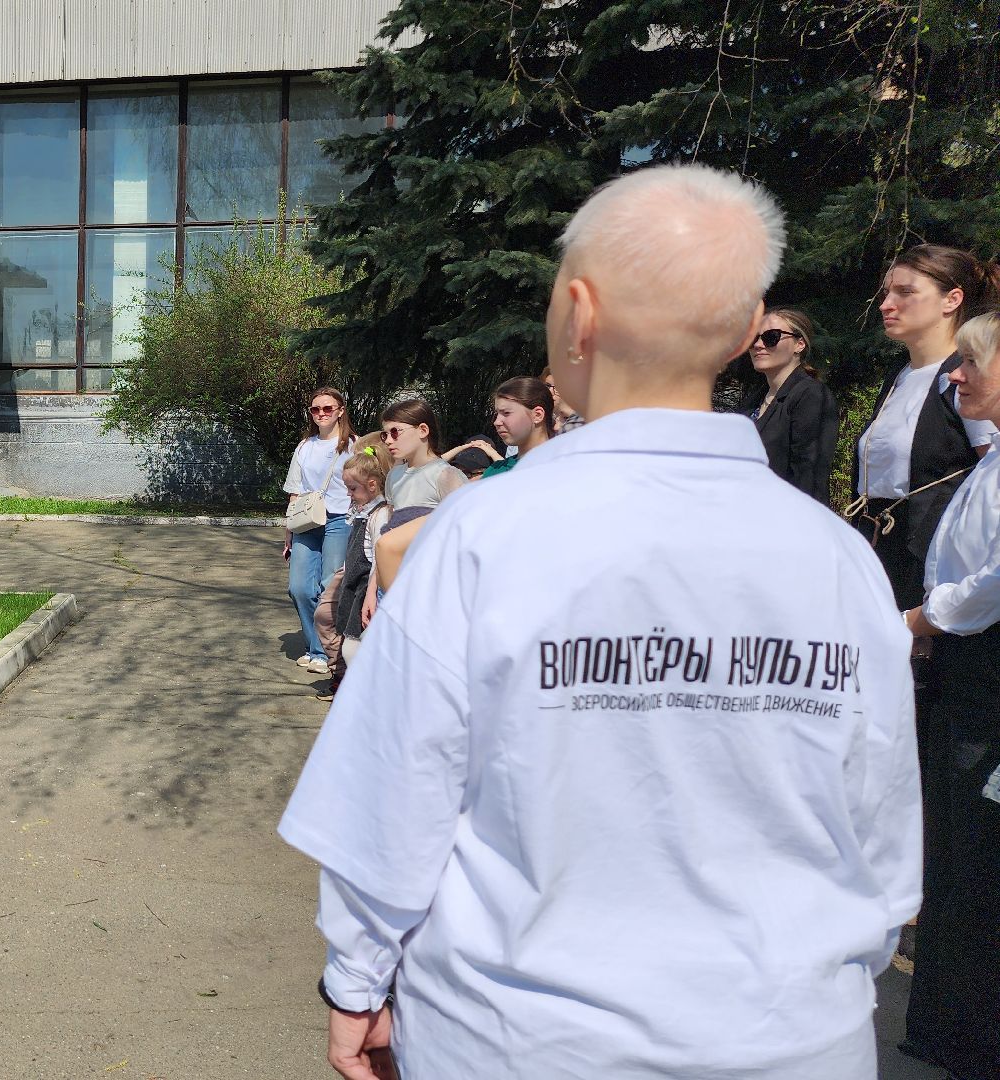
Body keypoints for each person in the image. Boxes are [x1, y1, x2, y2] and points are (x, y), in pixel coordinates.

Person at [281, 165, 919, 1080]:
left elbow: (394, 796)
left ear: (577, 314)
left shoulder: (481, 534)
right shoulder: (840, 561)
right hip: (791, 1038)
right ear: (746, 333)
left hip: (519, 1037)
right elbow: (885, 841)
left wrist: (357, 980)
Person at [898, 308, 1000, 1079]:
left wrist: (927, 614)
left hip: (988, 682)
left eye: (969, 362)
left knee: (977, 855)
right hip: (964, 671)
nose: (955, 377)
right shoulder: (992, 460)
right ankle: (946, 1027)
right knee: (959, 851)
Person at [850, 243, 999, 610]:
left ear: (952, 300)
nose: (886, 304)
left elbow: (991, 481)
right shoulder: (898, 377)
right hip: (878, 552)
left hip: (929, 568)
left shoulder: (966, 380)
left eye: (905, 292)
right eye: (887, 292)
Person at [283, 387, 357, 675]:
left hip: (341, 519)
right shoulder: (305, 446)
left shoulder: (353, 445)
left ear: (340, 410)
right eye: (315, 410)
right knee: (299, 587)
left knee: (330, 585)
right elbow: (294, 491)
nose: (321, 414)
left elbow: (364, 485)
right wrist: (288, 532)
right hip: (307, 521)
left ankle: (326, 653)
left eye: (328, 408)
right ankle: (317, 647)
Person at [314, 437, 392, 701]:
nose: (348, 494)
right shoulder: (361, 507)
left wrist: (371, 590)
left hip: (364, 583)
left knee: (354, 641)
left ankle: (357, 691)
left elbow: (379, 557)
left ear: (372, 485)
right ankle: (344, 678)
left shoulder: (380, 513)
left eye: (352, 488)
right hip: (351, 576)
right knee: (329, 618)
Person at [740, 308, 838, 500]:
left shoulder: (810, 396)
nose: (759, 345)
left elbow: (808, 478)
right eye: (753, 338)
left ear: (799, 344)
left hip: (785, 520)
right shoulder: (754, 401)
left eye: (771, 337)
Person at [379, 398, 466, 508]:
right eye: (385, 435)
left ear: (423, 430)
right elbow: (393, 520)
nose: (388, 441)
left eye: (395, 432)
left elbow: (464, 518)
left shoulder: (445, 475)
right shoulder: (394, 475)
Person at [479, 376, 554, 478]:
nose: (496, 422)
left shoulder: (563, 466)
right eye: (497, 414)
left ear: (538, 415)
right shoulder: (494, 472)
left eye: (506, 413)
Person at [541, 365, 586, 432]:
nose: (550, 391)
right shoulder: (543, 419)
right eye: (547, 386)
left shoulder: (586, 419)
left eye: (558, 386)